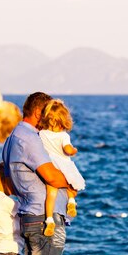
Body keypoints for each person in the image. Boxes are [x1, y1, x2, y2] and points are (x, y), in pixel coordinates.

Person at [2, 92, 73, 255]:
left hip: (27, 212)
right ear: (40, 112)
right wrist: (72, 183)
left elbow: (9, 180)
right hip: (45, 218)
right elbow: (51, 175)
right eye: (48, 113)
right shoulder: (29, 138)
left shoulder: (12, 138)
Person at [38, 99, 86, 237]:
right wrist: (74, 150)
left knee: (51, 193)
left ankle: (49, 219)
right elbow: (68, 149)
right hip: (64, 165)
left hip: (49, 165)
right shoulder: (64, 136)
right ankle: (71, 201)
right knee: (73, 185)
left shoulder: (42, 134)